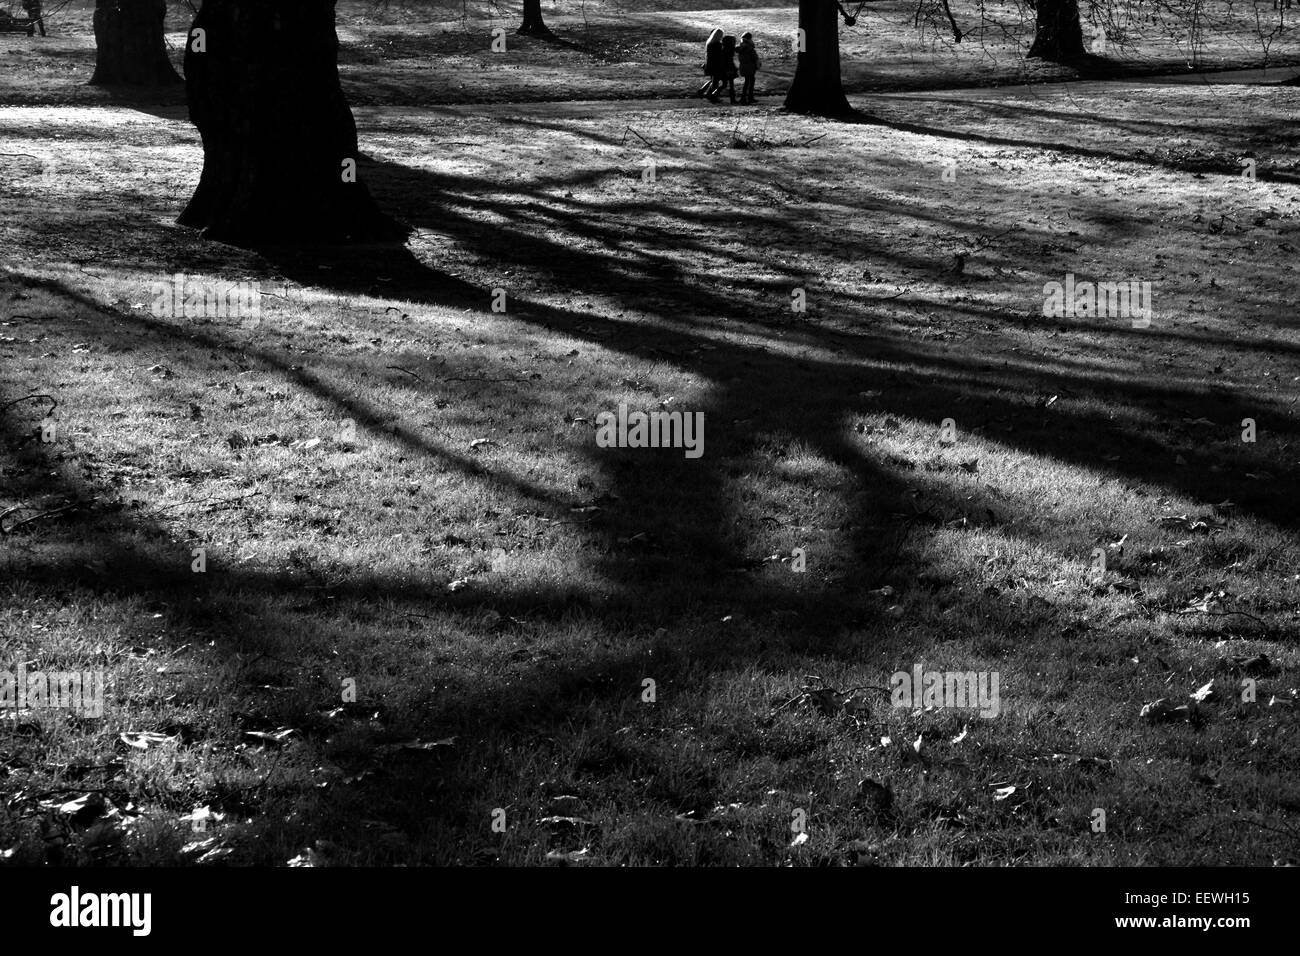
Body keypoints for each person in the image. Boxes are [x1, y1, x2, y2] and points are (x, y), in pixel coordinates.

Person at [696, 28, 725, 101]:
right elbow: (720, 55)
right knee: (715, 82)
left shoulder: (709, 43)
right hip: (716, 65)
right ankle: (712, 96)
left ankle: (703, 91)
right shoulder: (718, 44)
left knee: (713, 80)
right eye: (721, 35)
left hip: (710, 64)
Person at [737, 32, 761, 105]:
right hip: (750, 66)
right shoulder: (749, 47)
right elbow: (753, 57)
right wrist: (757, 63)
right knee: (750, 82)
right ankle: (748, 98)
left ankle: (745, 98)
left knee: (748, 82)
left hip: (744, 66)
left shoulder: (741, 46)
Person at [719, 35, 739, 104]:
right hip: (729, 69)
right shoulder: (728, 51)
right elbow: (728, 61)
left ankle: (714, 94)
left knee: (727, 84)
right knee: (731, 85)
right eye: (734, 42)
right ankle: (732, 99)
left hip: (727, 68)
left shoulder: (725, 49)